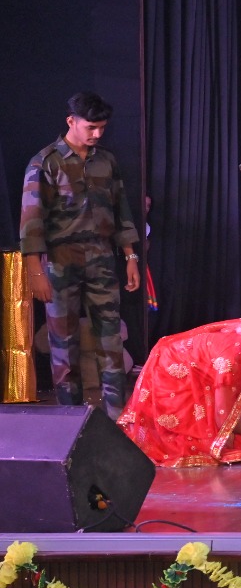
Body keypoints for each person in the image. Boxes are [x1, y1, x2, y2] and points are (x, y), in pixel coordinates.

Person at [19, 91, 141, 415]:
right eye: (91, 127)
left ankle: (118, 420)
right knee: (64, 347)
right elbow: (31, 222)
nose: (97, 134)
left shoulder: (106, 161)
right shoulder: (46, 162)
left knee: (111, 343)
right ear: (71, 121)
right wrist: (35, 272)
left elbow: (121, 210)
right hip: (61, 262)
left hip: (102, 259)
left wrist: (130, 257)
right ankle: (69, 421)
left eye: (102, 128)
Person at [119, 312, 241, 466]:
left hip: (189, 374)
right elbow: (225, 422)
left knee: (239, 439)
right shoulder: (232, 359)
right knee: (225, 443)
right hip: (171, 375)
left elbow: (238, 406)